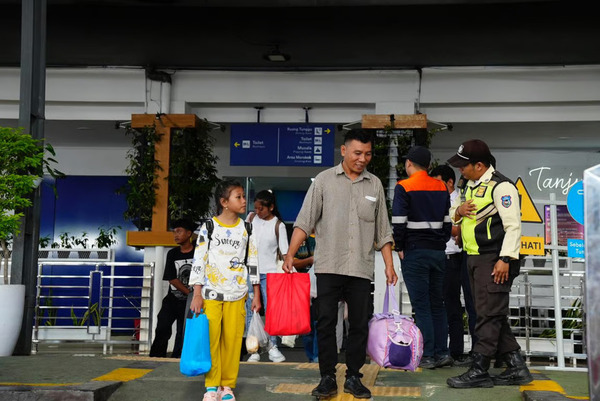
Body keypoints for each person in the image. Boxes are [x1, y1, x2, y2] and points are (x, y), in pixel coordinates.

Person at [282, 129, 397, 400]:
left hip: (360, 267)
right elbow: (305, 221)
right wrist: (290, 254)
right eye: (357, 153)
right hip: (329, 265)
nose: (362, 159)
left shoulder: (374, 185)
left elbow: (383, 231)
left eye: (367, 154)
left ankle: (354, 377)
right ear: (344, 151)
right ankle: (327, 377)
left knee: (359, 325)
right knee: (325, 323)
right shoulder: (323, 181)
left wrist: (389, 266)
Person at [446, 139, 532, 388]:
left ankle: (480, 368)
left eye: (464, 165)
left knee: (486, 315)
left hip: (494, 258)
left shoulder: (502, 187)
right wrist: (459, 211)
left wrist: (505, 259)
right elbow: (453, 214)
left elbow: (513, 226)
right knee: (492, 313)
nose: (460, 170)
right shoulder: (468, 184)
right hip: (473, 257)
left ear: (480, 165)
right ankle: (516, 367)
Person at [189, 179, 261, 401]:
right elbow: (199, 260)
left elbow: (253, 261)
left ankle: (227, 386)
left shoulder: (247, 229)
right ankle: (211, 387)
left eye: (243, 196)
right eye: (238, 197)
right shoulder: (209, 227)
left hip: (237, 295)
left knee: (232, 342)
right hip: (211, 295)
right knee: (211, 341)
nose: (244, 201)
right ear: (224, 202)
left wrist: (256, 294)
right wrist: (197, 293)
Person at [391, 146, 452, 369]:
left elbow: (399, 221)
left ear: (409, 163)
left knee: (422, 305)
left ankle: (427, 356)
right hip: (437, 252)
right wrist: (440, 242)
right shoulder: (441, 187)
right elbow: (447, 222)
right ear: (428, 166)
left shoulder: (404, 186)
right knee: (438, 304)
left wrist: (400, 245)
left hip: (415, 252)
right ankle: (442, 353)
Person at [430, 164, 478, 366]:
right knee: (451, 305)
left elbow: (459, 228)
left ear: (450, 182)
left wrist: (445, 226)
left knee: (472, 304)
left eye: (439, 182)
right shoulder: (436, 200)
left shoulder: (461, 199)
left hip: (463, 256)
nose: (436, 186)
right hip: (447, 257)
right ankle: (456, 350)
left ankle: (477, 352)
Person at [244, 189, 288, 363]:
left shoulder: (279, 226)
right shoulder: (251, 218)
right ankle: (253, 350)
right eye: (255, 208)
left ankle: (273, 346)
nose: (257, 212)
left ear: (271, 207)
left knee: (272, 312)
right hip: (250, 271)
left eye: (261, 209)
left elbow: (285, 252)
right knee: (251, 311)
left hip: (270, 274)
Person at [149, 218, 196, 358]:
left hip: (190, 302)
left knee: (183, 332)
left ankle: (178, 358)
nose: (176, 235)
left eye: (179, 231)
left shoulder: (198, 253)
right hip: (173, 299)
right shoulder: (172, 253)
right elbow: (172, 279)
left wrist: (193, 297)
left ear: (189, 233)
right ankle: (156, 357)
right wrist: (190, 293)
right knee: (162, 326)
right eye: (174, 232)